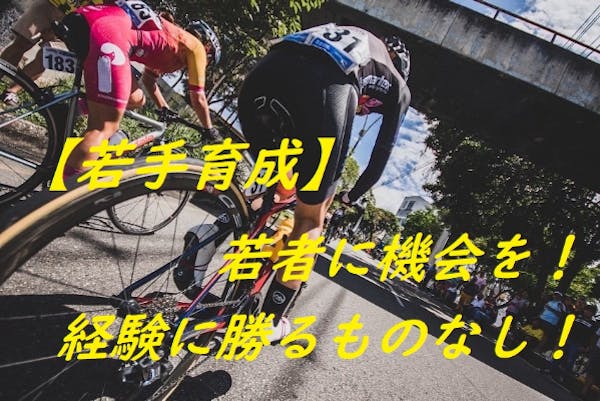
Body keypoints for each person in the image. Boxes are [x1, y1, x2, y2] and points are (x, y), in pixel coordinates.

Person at [236, 23, 411, 340]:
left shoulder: (355, 35)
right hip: (325, 87)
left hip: (267, 70)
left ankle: (212, 235)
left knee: (267, 192)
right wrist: (351, 196)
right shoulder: (398, 85)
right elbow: (379, 158)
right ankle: (272, 319)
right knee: (309, 219)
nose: (366, 112)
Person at [59, 4, 222, 177]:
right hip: (111, 38)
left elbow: (149, 80)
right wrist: (210, 130)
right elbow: (198, 97)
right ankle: (64, 190)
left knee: (137, 98)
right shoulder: (197, 47)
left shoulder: (174, 42)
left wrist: (164, 107)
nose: (205, 64)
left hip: (92, 22)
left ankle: (72, 110)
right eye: (209, 60)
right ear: (207, 48)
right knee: (104, 127)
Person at [0, 0, 104, 105]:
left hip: (78, 22)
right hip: (50, 5)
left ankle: (12, 91)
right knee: (21, 44)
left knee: (46, 57)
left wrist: (56, 31)